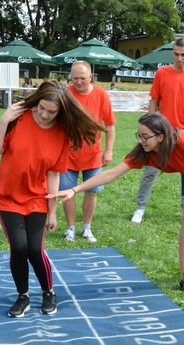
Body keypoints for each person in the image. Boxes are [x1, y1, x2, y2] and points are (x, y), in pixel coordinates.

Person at [49, 112, 184, 294]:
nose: (141, 140)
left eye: (145, 136)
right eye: (139, 135)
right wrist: (75, 189)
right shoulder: (145, 153)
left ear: (161, 136)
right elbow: (111, 174)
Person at [0, 80, 104, 317]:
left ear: (61, 112)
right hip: (7, 195)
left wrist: (52, 211)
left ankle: (48, 291)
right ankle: (23, 296)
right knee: (19, 248)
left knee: (35, 249)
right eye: (41, 108)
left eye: (52, 112)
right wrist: (4, 119)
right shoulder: (19, 119)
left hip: (38, 197)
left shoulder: (61, 135)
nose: (44, 115)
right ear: (36, 102)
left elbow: (53, 174)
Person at [131, 38, 184, 224]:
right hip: (162, 132)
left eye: (183, 54)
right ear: (173, 53)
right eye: (176, 54)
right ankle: (140, 208)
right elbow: (154, 101)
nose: (179, 58)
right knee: (150, 171)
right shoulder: (161, 73)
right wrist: (148, 128)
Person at [60, 60, 116, 243]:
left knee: (91, 192)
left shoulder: (101, 95)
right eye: (75, 78)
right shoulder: (66, 94)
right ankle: (70, 228)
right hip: (68, 155)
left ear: (91, 77)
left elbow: (110, 124)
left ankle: (86, 227)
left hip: (93, 155)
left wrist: (108, 150)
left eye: (83, 78)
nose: (79, 82)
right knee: (67, 192)